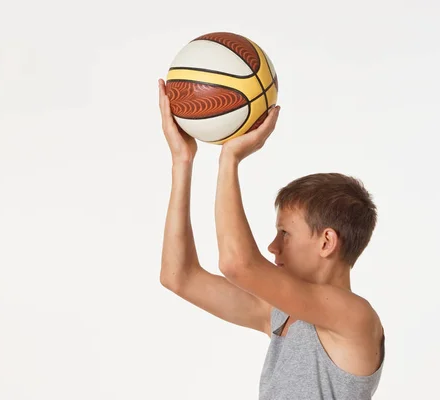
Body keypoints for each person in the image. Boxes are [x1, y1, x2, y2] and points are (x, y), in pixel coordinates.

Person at [157, 79, 385, 399]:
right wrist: (182, 161)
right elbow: (178, 276)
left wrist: (230, 159)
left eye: (285, 233)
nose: (273, 246)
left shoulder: (354, 318)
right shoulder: (280, 314)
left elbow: (238, 264)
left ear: (326, 242)